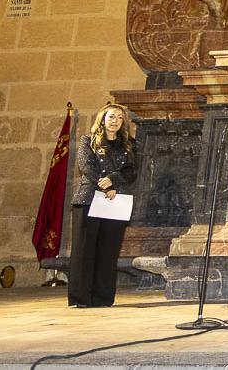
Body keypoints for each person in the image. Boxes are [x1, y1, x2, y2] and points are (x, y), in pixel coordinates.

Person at [69, 103, 138, 308]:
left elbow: (132, 171)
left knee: (108, 250)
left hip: (115, 200)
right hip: (89, 199)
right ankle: (81, 298)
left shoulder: (129, 144)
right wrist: (104, 183)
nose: (115, 120)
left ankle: (102, 297)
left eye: (119, 117)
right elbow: (86, 166)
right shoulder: (88, 141)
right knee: (85, 249)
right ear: (102, 119)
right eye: (111, 117)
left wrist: (113, 181)